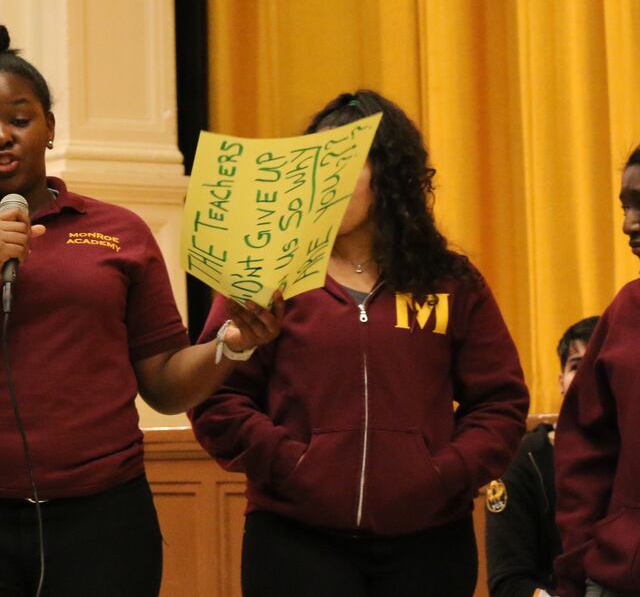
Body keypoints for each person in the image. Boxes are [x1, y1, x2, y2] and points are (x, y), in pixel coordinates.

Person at [0, 17, 281, 597]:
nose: (0, 136)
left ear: (49, 129)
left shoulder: (120, 231)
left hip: (102, 516)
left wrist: (229, 347)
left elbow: (164, 385)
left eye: (19, 119)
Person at [189, 89, 529, 597]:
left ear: (389, 179)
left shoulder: (450, 281)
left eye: (344, 166)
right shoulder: (265, 274)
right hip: (295, 541)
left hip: (429, 543)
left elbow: (500, 403)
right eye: (317, 167)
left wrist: (442, 475)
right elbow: (216, 398)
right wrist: (292, 464)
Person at [553, 145, 640, 597]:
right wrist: (583, 562)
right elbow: (586, 451)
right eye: (625, 206)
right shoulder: (626, 310)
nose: (629, 223)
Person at [486, 316, 597, 597]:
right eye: (576, 365)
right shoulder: (525, 460)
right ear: (561, 382)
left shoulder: (631, 454)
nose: (587, 375)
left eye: (599, 363)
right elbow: (508, 581)